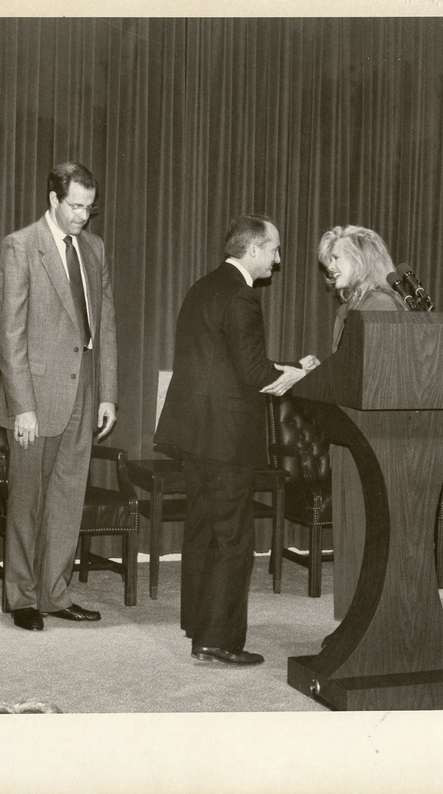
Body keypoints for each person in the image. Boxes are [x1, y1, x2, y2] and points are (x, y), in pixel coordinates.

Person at [155, 214, 317, 666]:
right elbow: (252, 371)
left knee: (203, 530)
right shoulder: (242, 295)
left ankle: (198, 625)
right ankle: (218, 641)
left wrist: (285, 367)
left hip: (193, 432)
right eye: (275, 250)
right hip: (225, 437)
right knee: (233, 539)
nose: (278, 260)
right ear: (253, 249)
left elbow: (229, 363)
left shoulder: (203, 287)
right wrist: (297, 374)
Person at [0, 162, 118, 631]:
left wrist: (107, 393)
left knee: (67, 498)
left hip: (84, 389)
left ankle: (55, 593)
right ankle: (22, 597)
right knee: (27, 501)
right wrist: (22, 406)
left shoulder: (95, 249)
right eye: (75, 206)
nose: (82, 216)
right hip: (37, 393)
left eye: (89, 208)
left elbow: (105, 324)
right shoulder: (21, 246)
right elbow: (10, 335)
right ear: (53, 199)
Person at [316, 225, 408, 620]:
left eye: (336, 258)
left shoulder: (380, 306)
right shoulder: (355, 305)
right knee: (352, 528)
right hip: (351, 428)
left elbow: (378, 378)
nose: (330, 267)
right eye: (328, 260)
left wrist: (326, 374)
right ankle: (352, 624)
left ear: (362, 258)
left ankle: (366, 623)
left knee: (364, 527)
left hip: (371, 433)